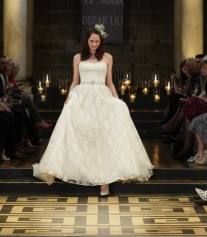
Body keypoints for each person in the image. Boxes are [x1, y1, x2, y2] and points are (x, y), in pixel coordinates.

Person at [32, 25, 153, 196]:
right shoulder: (77, 58)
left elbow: (110, 81)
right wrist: (68, 96)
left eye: (97, 41)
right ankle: (77, 170)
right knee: (82, 134)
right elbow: (75, 81)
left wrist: (116, 98)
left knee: (102, 136)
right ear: (86, 41)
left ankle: (104, 180)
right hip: (82, 95)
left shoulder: (108, 57)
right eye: (91, 41)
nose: (94, 44)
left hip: (101, 95)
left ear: (101, 41)